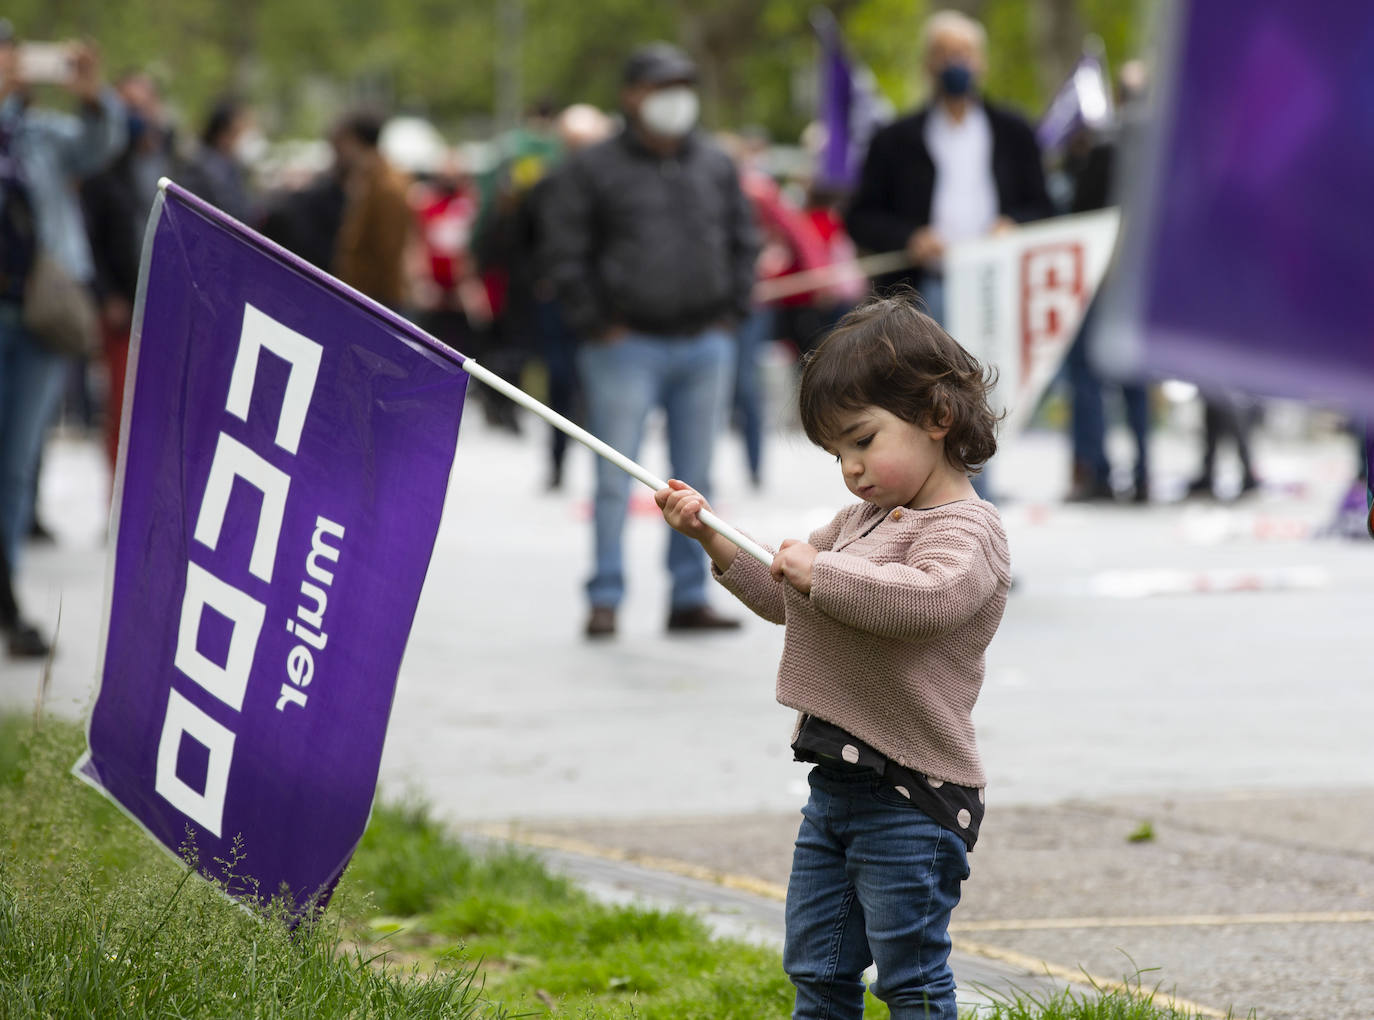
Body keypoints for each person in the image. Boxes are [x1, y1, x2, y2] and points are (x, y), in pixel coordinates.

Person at [656, 295, 1010, 1019]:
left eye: (862, 439)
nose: (851, 469)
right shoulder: (859, 522)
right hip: (836, 788)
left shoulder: (968, 532)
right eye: (836, 454)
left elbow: (924, 601)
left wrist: (824, 573)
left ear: (937, 417)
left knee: (909, 980)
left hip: (914, 797)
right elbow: (789, 594)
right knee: (817, 970)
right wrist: (715, 538)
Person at [542, 43, 758, 638]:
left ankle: (689, 595)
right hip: (623, 345)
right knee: (615, 478)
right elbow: (564, 252)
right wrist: (596, 322)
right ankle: (605, 595)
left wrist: (730, 313)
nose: (676, 98)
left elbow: (745, 239)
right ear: (632, 96)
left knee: (698, 480)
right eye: (662, 86)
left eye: (683, 85)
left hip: (704, 341)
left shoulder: (714, 162)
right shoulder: (594, 168)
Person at [0, 27, 125, 574]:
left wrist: (94, 94)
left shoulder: (40, 134)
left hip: (41, 312)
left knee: (17, 461)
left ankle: (5, 586)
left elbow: (99, 146)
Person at [82, 69, 184, 470]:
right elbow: (91, 238)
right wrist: (107, 294)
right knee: (123, 413)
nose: (135, 115)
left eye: (141, 106)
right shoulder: (104, 170)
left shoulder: (176, 162)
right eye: (126, 107)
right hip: (126, 309)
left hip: (174, 306)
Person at [330, 108, 411, 311]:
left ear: (354, 141)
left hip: (378, 303)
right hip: (364, 297)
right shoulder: (368, 179)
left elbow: (388, 252)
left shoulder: (387, 185)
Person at [188, 96, 255, 222]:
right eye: (237, 132)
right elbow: (232, 212)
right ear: (223, 134)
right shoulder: (204, 167)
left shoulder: (230, 165)